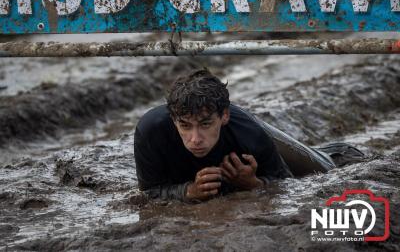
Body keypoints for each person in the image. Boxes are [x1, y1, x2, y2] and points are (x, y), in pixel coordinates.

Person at [134, 69, 363, 202]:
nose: (195, 138)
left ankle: (337, 151)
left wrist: (253, 183)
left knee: (326, 168)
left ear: (224, 116)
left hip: (256, 131)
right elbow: (149, 192)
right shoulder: (151, 131)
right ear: (173, 119)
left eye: (205, 124)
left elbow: (286, 183)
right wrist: (188, 191)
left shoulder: (249, 133)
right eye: (184, 126)